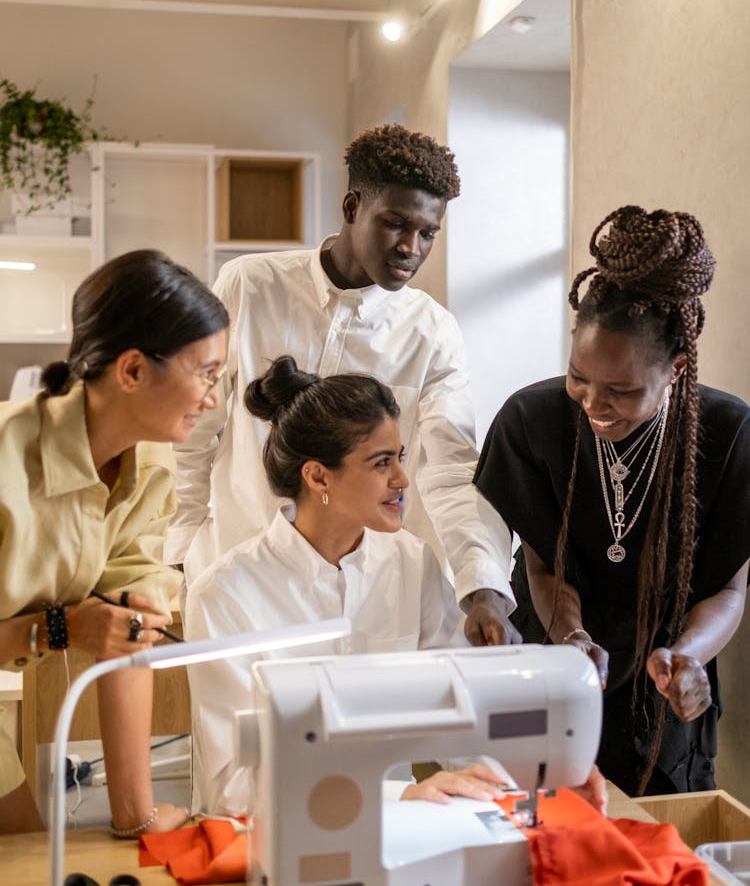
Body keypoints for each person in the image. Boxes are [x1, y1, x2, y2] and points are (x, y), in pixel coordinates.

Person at [166, 125, 516, 645]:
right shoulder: (250, 286)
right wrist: (179, 554)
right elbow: (193, 431)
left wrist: (482, 585)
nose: (410, 248)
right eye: (395, 224)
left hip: (367, 599)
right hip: (239, 583)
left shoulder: (434, 333)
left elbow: (450, 472)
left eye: (428, 233)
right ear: (352, 206)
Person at [475, 205, 750, 797]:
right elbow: (543, 565)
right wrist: (569, 636)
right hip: (552, 665)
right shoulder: (532, 420)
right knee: (535, 824)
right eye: (579, 376)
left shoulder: (730, 435)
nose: (592, 403)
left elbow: (728, 588)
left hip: (665, 680)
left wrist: (687, 659)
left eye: (621, 390)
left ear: (676, 368)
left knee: (653, 843)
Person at [184, 356, 510, 817]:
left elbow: (460, 715)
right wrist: (400, 796)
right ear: (317, 476)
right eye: (381, 463)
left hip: (398, 834)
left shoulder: (412, 563)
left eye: (399, 457)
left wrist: (515, 780)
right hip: (269, 850)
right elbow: (232, 789)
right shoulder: (225, 595)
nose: (402, 479)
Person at [0, 249, 229, 836]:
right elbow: (81, 628)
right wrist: (61, 628)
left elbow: (129, 632)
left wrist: (137, 816)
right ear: (131, 371)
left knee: (28, 859)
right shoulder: (7, 460)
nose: (212, 398)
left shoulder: (148, 463)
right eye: (204, 373)